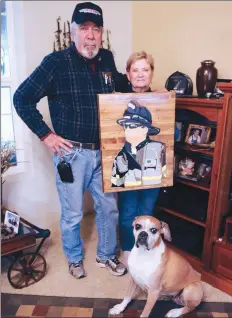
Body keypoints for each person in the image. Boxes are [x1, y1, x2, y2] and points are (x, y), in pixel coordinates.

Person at [13, 2, 127, 279]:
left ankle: (107, 255)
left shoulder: (107, 60)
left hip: (106, 151)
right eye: (84, 28)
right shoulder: (56, 62)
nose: (90, 35)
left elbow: (122, 88)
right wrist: (46, 135)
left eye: (96, 29)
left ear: (101, 33)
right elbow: (21, 98)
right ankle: (75, 259)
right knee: (73, 214)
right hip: (72, 155)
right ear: (73, 31)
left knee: (109, 209)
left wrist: (147, 88)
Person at [116, 51, 162, 265]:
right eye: (135, 70)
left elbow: (173, 137)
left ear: (152, 73)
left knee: (147, 211)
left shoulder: (162, 101)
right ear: (128, 74)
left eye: (145, 69)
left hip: (152, 173)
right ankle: (127, 248)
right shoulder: (117, 99)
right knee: (127, 213)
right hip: (129, 170)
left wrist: (166, 98)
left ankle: (144, 249)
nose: (140, 74)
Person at [111, 100, 167, 188]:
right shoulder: (121, 155)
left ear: (145, 129)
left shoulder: (159, 149)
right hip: (129, 194)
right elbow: (116, 184)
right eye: (126, 126)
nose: (127, 130)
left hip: (151, 191)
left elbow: (168, 175)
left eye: (132, 126)